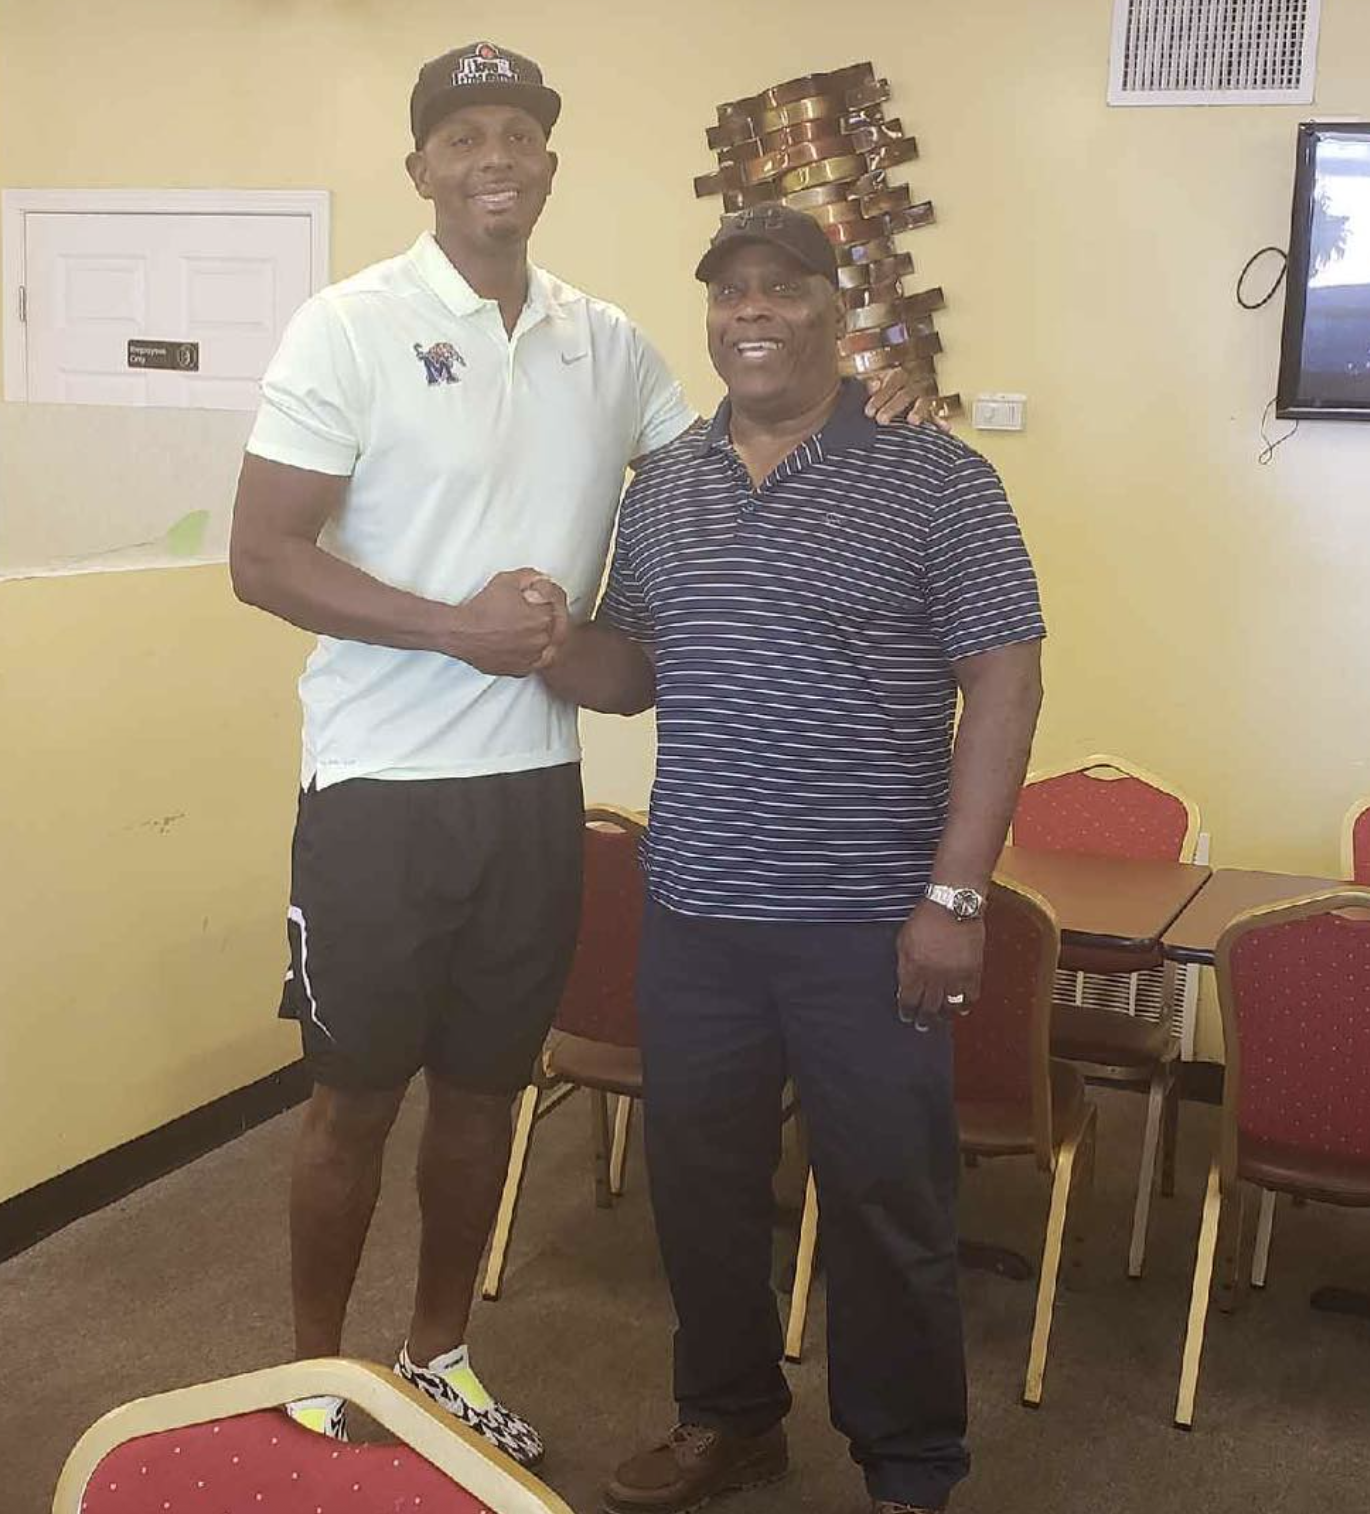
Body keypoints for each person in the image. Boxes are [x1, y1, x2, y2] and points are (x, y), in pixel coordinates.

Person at [229, 43, 929, 1462]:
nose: (496, 156)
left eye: (520, 135)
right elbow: (261, 557)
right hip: (376, 789)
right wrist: (453, 626)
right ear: (420, 166)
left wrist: (868, 403)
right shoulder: (346, 326)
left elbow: (729, 447)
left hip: (532, 789)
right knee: (351, 1098)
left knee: (485, 1094)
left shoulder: (602, 341)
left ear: (549, 164)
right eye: (464, 135)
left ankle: (435, 1355)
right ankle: (311, 1370)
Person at [541, 205, 1046, 1514]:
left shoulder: (936, 477)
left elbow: (1001, 674)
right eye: (728, 292)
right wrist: (540, 637)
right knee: (699, 1190)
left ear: (837, 310)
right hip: (697, 911)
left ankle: (909, 1463)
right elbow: (632, 667)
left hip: (871, 921)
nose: (749, 312)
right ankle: (728, 1419)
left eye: (780, 289)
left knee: (888, 1198)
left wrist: (953, 892)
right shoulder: (667, 487)